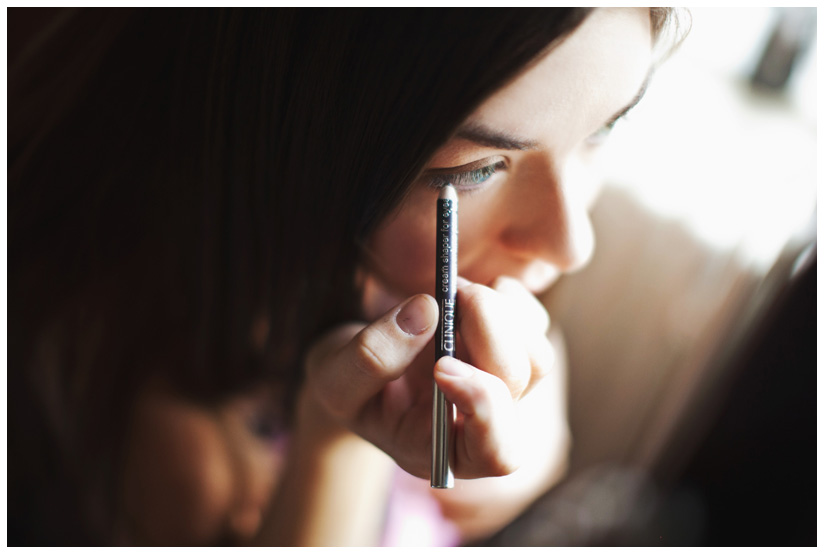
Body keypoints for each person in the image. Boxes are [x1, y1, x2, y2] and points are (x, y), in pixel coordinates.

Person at [8, 7, 679, 546]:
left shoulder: (461, 272)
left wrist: (536, 443)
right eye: (473, 170)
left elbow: (526, 450)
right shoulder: (178, 436)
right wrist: (341, 437)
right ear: (289, 141)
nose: (572, 243)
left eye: (604, 127)